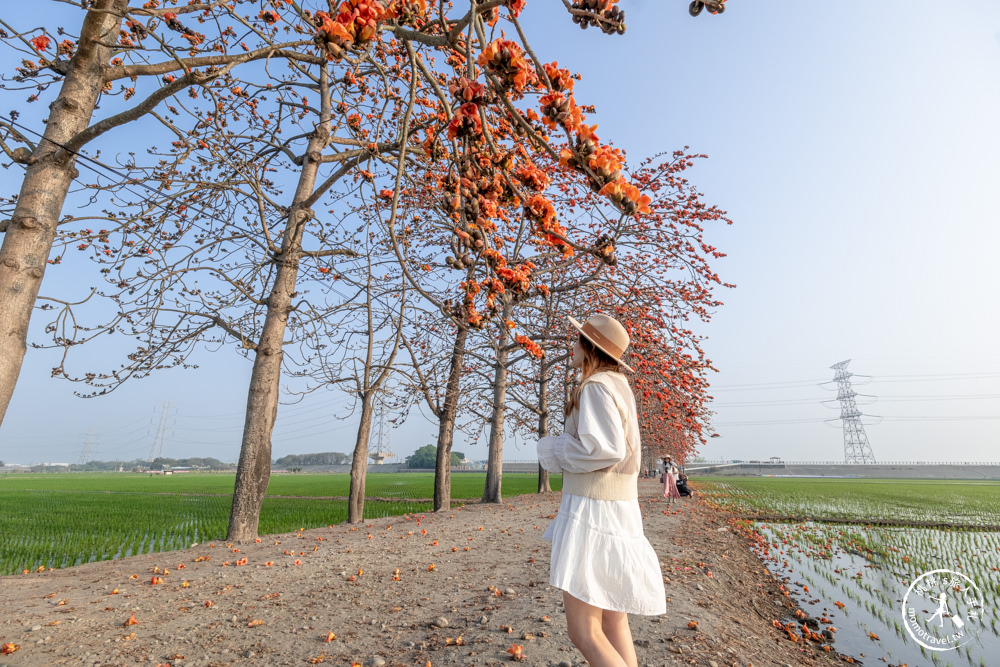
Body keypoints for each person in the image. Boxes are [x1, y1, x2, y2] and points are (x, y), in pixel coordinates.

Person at [537, 314, 666, 667]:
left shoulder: (595, 387)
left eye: (577, 339)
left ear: (590, 347)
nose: (571, 346)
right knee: (613, 622)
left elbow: (606, 448)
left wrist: (556, 447)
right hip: (618, 509)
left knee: (585, 631)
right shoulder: (618, 385)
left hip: (592, 509)